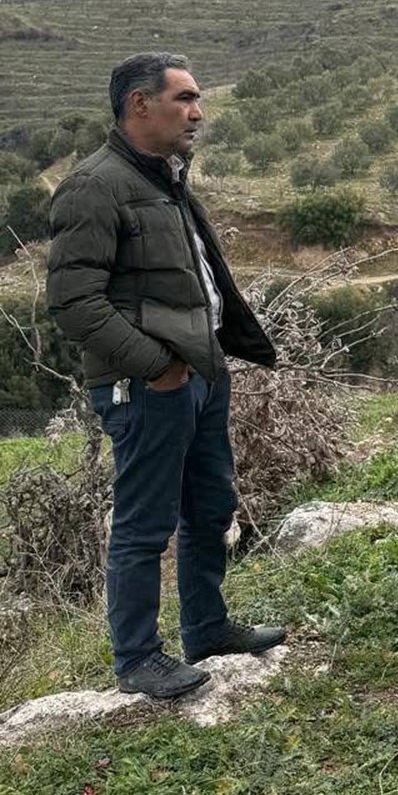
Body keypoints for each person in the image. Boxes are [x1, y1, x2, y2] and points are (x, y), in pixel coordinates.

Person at [46, 52, 285, 699]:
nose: (197, 111)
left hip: (200, 372)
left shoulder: (165, 180)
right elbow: (75, 303)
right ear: (139, 106)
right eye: (184, 98)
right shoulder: (95, 186)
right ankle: (137, 659)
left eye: (197, 98)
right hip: (148, 385)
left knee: (209, 508)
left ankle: (206, 627)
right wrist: (157, 369)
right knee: (146, 524)